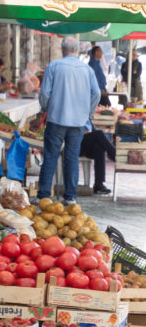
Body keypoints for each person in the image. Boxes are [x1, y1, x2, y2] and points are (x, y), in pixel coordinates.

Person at [37, 37, 101, 205]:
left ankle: (43, 195)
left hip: (56, 119)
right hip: (78, 121)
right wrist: (88, 112)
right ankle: (70, 197)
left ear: (62, 49)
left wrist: (46, 108)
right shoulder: (87, 70)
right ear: (77, 50)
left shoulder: (54, 66)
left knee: (51, 156)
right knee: (72, 158)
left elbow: (44, 94)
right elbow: (97, 94)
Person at [79, 121, 116, 195]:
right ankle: (114, 154)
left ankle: (98, 184)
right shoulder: (75, 113)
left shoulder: (87, 115)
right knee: (99, 133)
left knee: (99, 148)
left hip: (86, 144)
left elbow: (92, 130)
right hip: (75, 145)